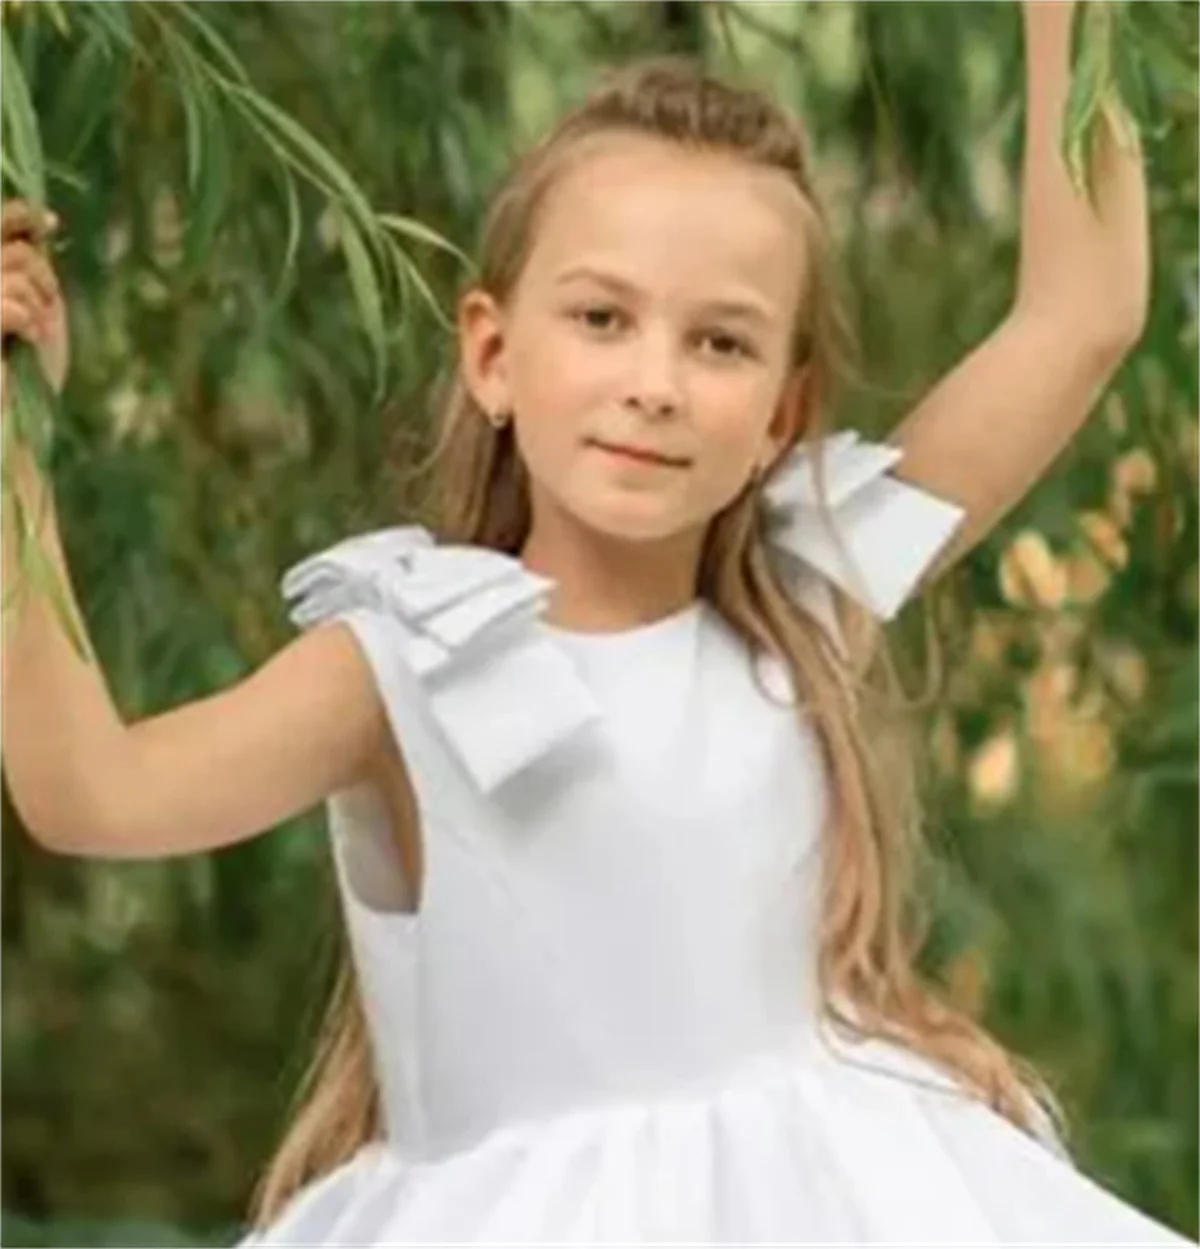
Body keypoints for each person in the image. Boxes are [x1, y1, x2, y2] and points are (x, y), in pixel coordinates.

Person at [2, 4, 1190, 1244]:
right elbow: (92, 790)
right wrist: (14, 458)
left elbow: (1079, 317)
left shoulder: (804, 599)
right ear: (493, 355)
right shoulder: (405, 665)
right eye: (602, 318)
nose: (654, 382)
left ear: (781, 415)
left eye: (720, 340)